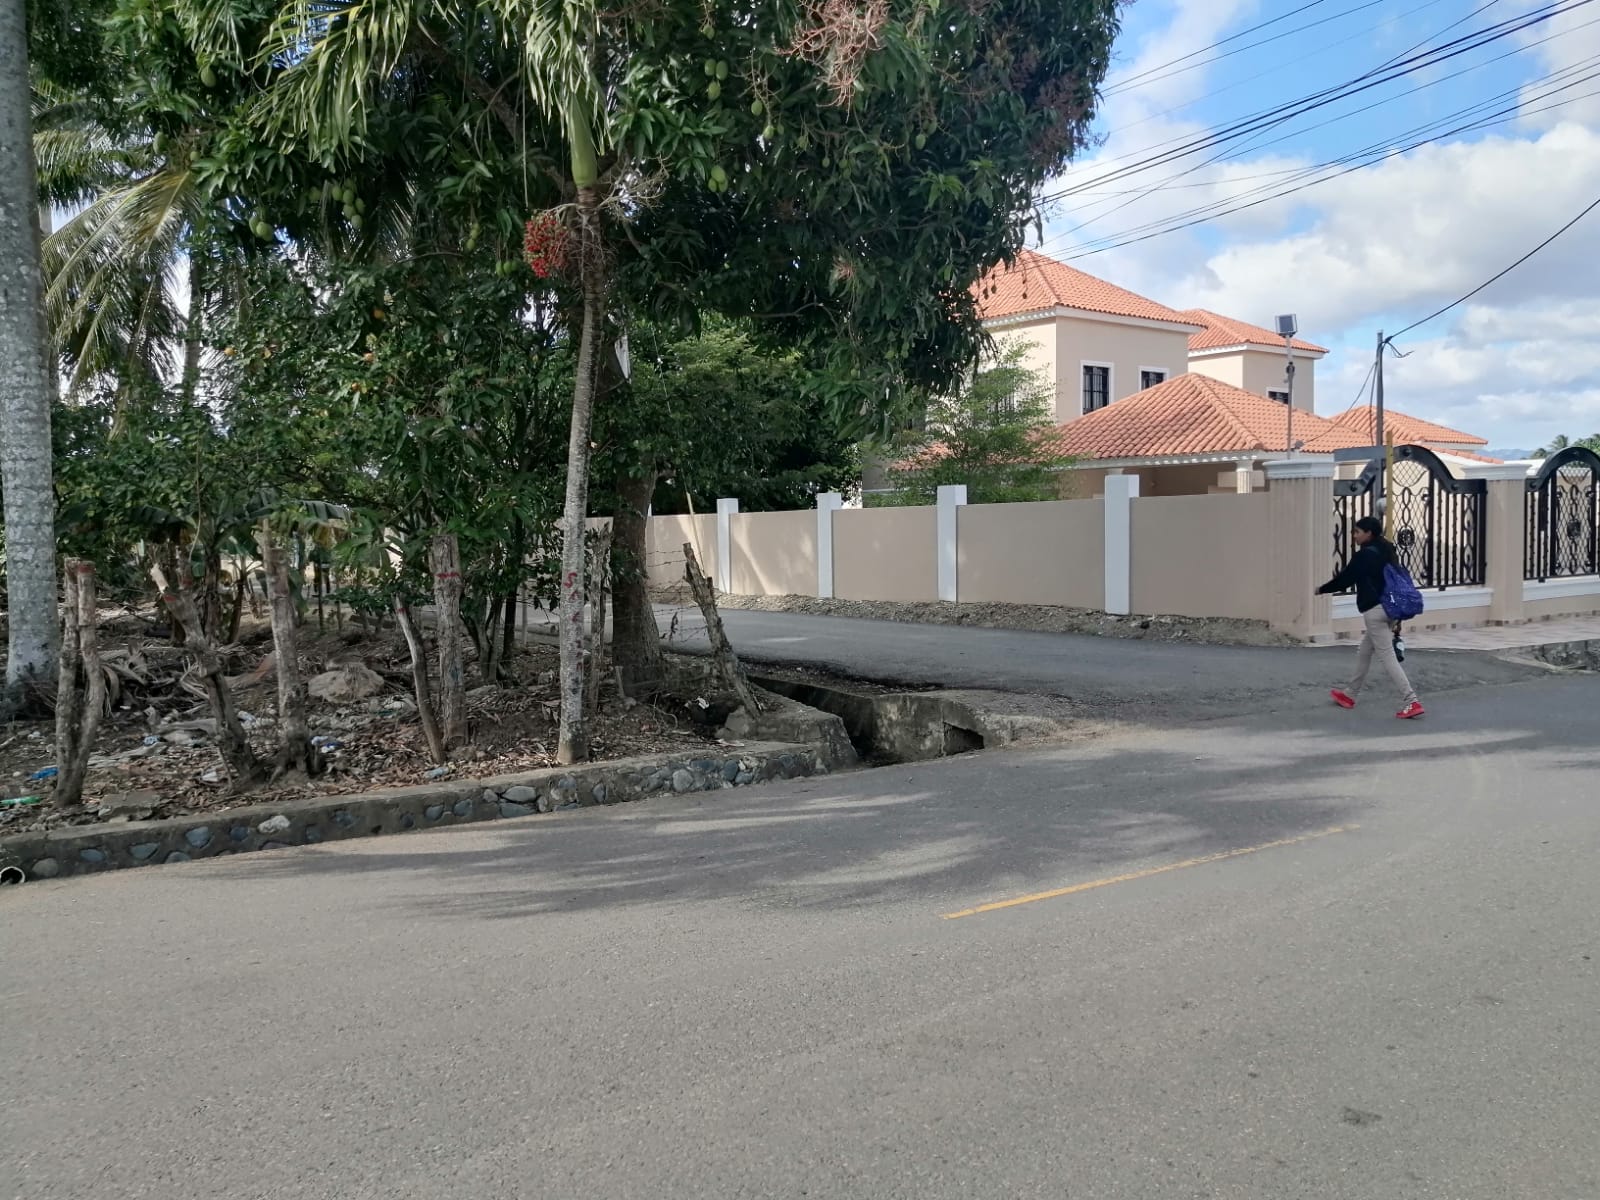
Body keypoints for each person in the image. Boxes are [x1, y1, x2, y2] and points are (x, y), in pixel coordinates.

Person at [1317, 515, 1424, 719]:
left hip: (1375, 611)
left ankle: (1411, 700)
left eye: (1357, 531)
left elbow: (1345, 579)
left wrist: (1322, 589)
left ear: (1369, 533)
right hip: (1390, 609)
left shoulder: (1364, 556)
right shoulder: (1387, 549)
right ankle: (1350, 694)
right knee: (1365, 650)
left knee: (1387, 656)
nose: (1354, 535)